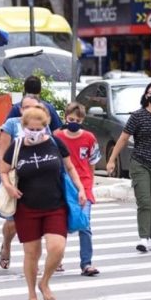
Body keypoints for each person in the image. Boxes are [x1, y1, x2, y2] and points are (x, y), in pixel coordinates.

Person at [0, 104, 86, 300]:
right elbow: (3, 170)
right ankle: (31, 294)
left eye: (39, 129)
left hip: (55, 205)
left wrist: (81, 189)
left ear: (45, 127)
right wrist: (9, 186)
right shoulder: (17, 146)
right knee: (32, 253)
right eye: (31, 129)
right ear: (24, 126)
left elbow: (70, 167)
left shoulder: (55, 143)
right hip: (27, 207)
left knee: (57, 248)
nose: (35, 133)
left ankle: (44, 281)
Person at [106, 81, 151, 253]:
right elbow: (123, 138)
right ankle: (143, 238)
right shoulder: (137, 116)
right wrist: (112, 160)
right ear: (146, 96)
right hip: (140, 163)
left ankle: (150, 238)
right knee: (144, 202)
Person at [0, 94, 43, 270]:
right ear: (20, 109)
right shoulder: (12, 124)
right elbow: (2, 156)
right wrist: (6, 182)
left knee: (37, 220)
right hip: (15, 178)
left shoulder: (43, 125)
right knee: (12, 221)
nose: (30, 111)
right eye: (26, 107)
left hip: (37, 180)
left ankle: (34, 260)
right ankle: (6, 245)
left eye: (34, 107)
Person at [54, 103, 101, 276]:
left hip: (84, 186)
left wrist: (89, 186)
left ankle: (86, 263)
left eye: (77, 120)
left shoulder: (89, 138)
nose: (74, 122)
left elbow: (92, 163)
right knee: (60, 225)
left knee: (85, 224)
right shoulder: (57, 136)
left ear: (83, 120)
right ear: (66, 117)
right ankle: (57, 260)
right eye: (71, 119)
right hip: (62, 185)